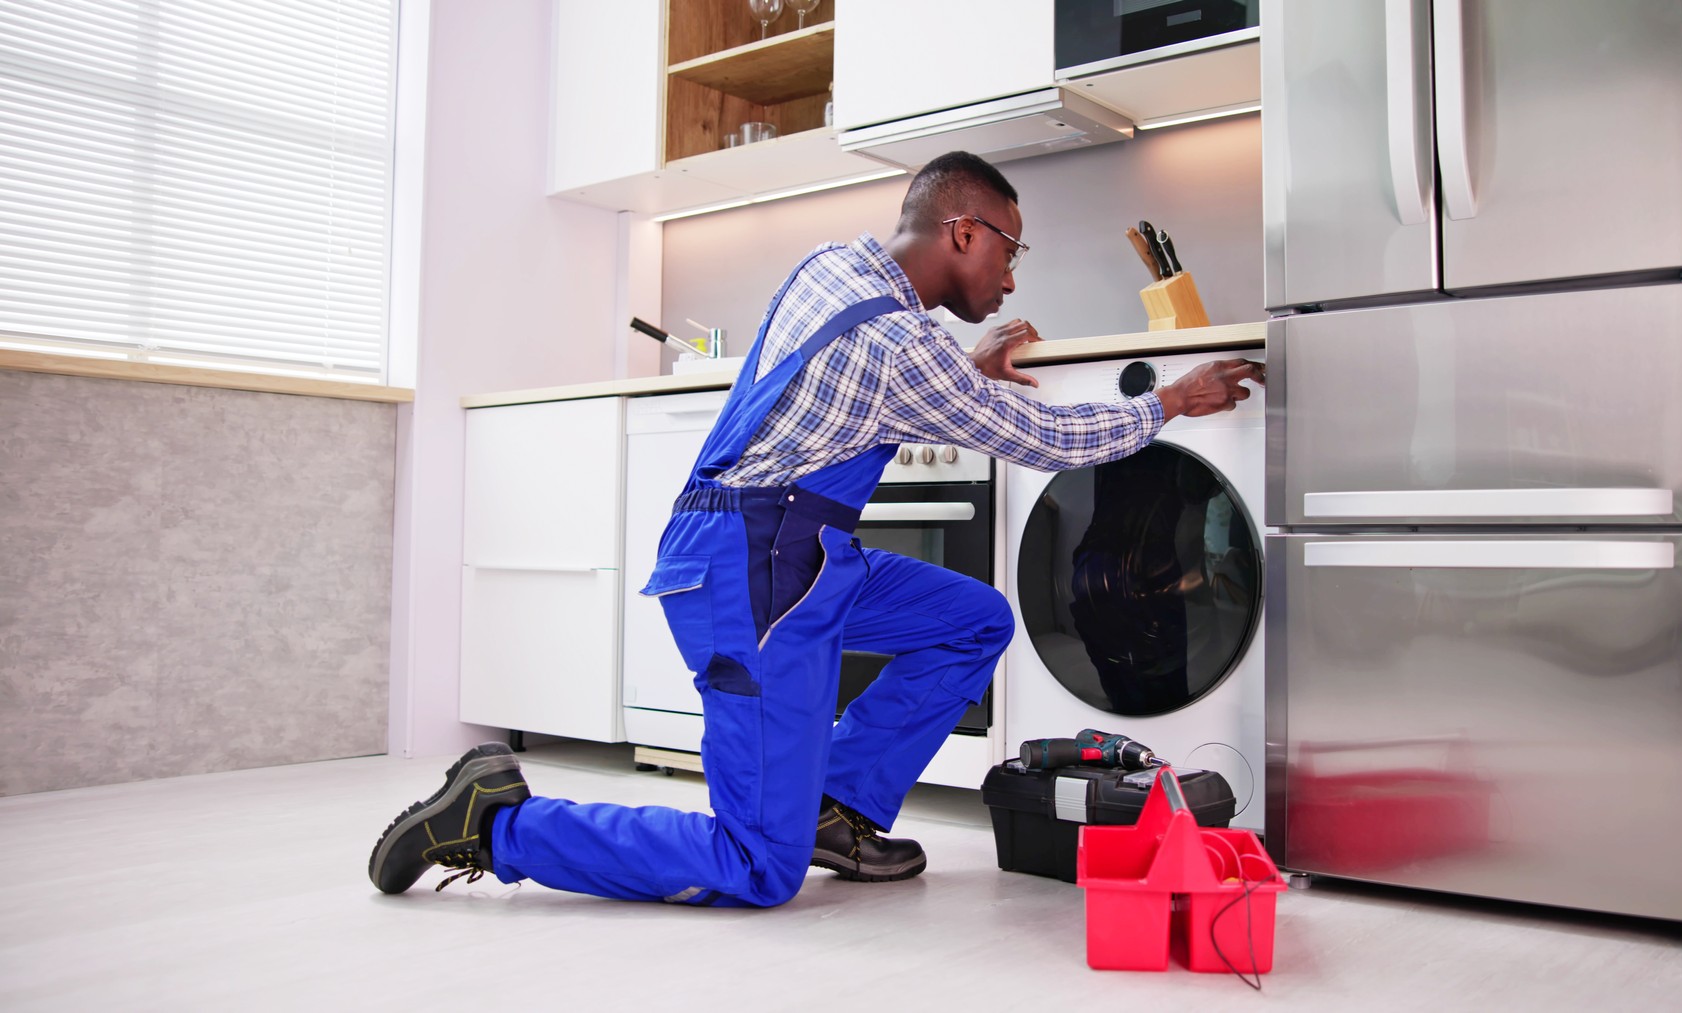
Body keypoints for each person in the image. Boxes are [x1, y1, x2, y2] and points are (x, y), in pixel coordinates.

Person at [367, 151, 1265, 906]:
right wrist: (1169, 401)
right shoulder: (901, 349)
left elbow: (861, 396)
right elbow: (1045, 437)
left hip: (803, 555)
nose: (1012, 273)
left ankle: (832, 805)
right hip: (751, 572)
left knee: (975, 620)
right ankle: (494, 822)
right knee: (758, 866)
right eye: (1010, 247)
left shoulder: (834, 264)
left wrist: (963, 370)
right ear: (962, 230)